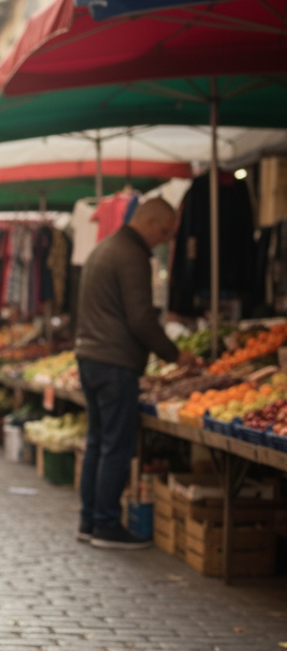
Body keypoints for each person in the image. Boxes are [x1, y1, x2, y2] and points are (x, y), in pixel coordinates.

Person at [76, 198, 198, 549]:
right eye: (164, 230)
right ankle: (106, 525)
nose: (166, 238)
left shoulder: (106, 248)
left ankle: (89, 521)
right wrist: (175, 355)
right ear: (149, 221)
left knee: (98, 442)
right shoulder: (132, 256)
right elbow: (141, 318)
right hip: (114, 362)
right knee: (115, 445)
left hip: (91, 357)